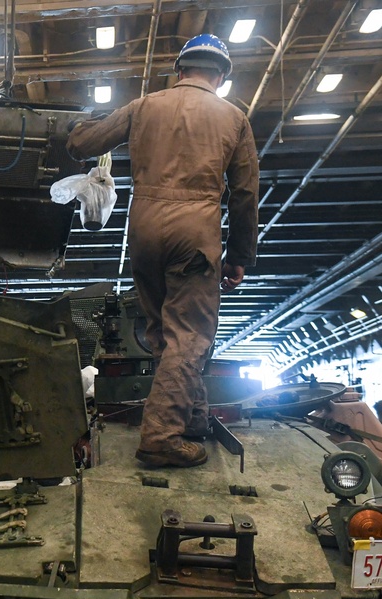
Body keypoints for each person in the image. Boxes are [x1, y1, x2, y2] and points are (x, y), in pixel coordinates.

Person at [67, 33, 259, 468]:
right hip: (195, 231)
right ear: (221, 75)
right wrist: (239, 257)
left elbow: (81, 144)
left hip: (144, 228)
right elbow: (245, 194)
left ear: (179, 70)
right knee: (190, 337)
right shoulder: (233, 118)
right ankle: (161, 437)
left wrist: (74, 128)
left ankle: (192, 419)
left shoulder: (144, 106)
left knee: (164, 335)